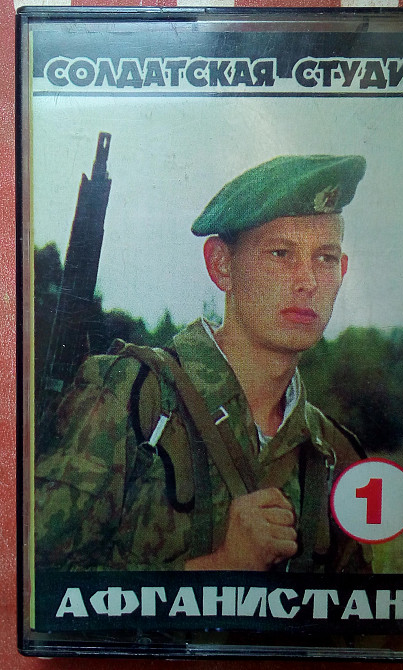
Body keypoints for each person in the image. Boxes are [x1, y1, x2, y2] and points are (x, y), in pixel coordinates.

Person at [35, 154, 372, 573]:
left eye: (325, 258)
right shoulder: (131, 399)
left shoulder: (335, 453)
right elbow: (37, 589)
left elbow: (358, 610)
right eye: (282, 253)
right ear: (221, 265)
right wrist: (222, 564)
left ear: (342, 271)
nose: (308, 281)